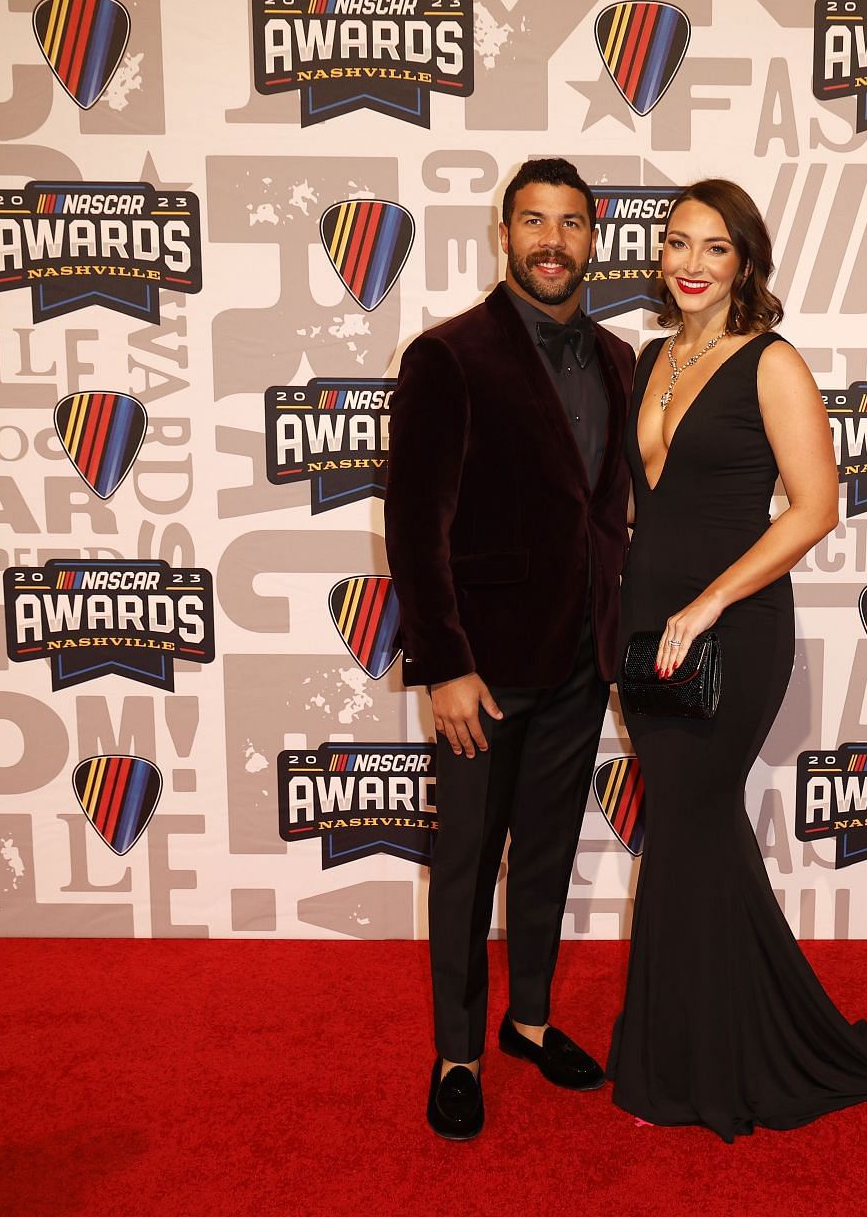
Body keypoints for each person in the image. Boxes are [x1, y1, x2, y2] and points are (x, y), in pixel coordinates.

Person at [607, 179, 867, 1140]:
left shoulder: (773, 363)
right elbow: (643, 505)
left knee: (694, 821)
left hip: (731, 628)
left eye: (715, 248)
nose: (692, 264)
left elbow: (815, 508)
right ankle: (688, 1046)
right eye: (677, 244)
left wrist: (709, 601)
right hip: (647, 626)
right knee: (679, 832)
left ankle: (713, 1063)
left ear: (746, 261)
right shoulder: (652, 358)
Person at [385, 158, 635, 1140]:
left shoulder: (619, 358)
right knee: (463, 863)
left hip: (581, 656)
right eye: (534, 220)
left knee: (547, 854)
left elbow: (606, 512)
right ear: (505, 233)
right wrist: (445, 662)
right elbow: (415, 524)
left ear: (591, 236)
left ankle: (528, 1019)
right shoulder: (448, 356)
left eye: (571, 223)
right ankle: (457, 1050)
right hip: (480, 672)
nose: (552, 240)